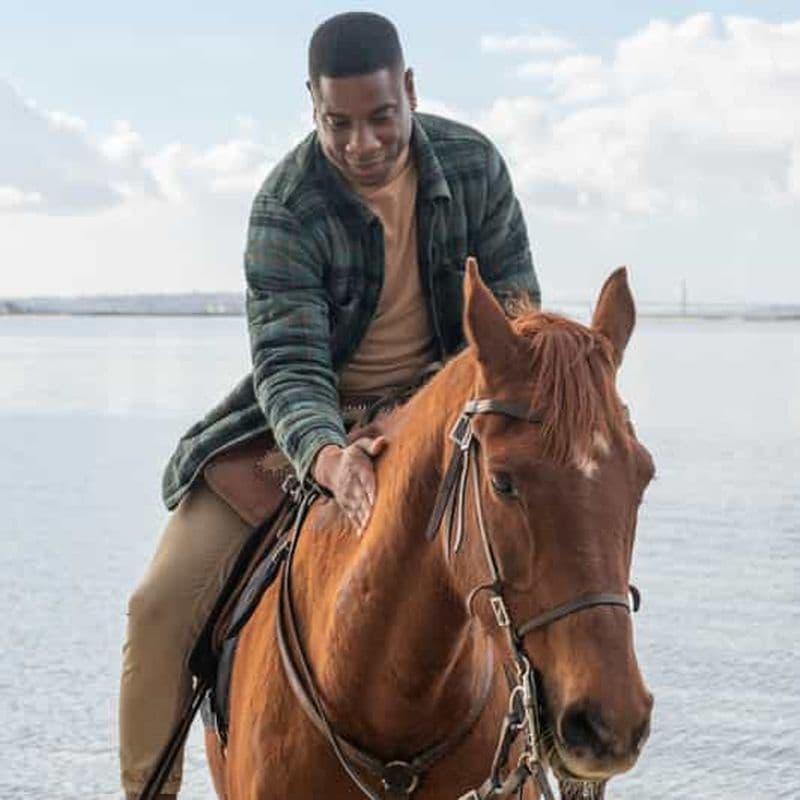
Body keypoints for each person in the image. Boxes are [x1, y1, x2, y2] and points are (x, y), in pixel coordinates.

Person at [118, 11, 540, 799]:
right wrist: (328, 454)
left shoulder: (476, 166)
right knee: (156, 606)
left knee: (558, 561)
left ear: (409, 91)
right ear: (311, 107)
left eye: (381, 117)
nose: (361, 143)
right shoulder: (287, 204)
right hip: (309, 428)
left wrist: (416, 420)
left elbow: (511, 322)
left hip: (446, 418)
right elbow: (287, 363)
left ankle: (556, 761)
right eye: (336, 123)